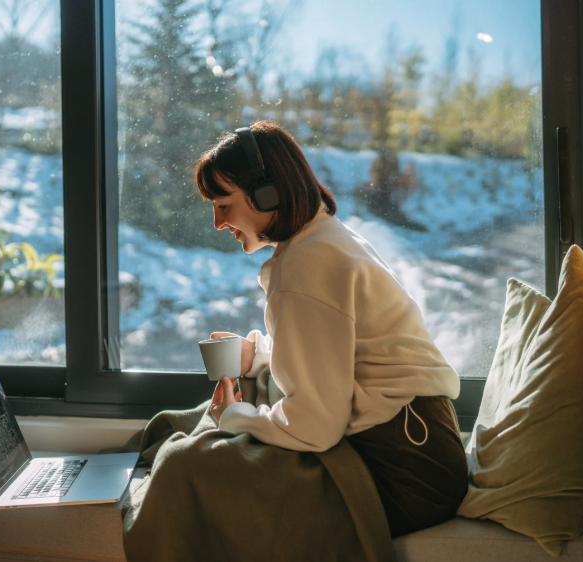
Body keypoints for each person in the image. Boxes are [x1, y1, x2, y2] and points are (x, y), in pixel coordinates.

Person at [194, 121, 468, 538]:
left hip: (407, 477)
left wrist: (236, 418)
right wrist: (259, 355)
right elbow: (341, 346)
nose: (216, 222)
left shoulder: (305, 266)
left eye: (223, 204)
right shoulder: (323, 239)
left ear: (267, 194)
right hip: (428, 456)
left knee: (207, 486)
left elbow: (316, 427)